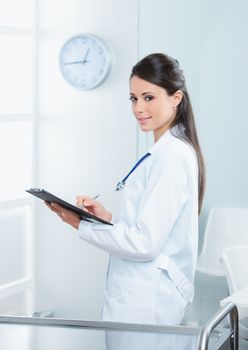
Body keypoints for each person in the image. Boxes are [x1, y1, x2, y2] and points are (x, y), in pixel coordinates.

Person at [46, 53, 205, 326]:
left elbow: (145, 244)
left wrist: (82, 225)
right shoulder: (163, 151)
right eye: (133, 98)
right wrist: (107, 220)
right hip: (141, 295)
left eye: (148, 97)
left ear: (176, 98)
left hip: (148, 300)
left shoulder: (172, 156)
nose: (138, 108)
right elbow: (148, 229)